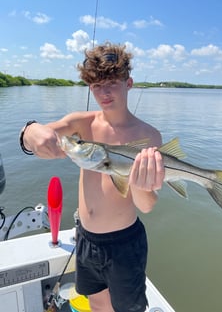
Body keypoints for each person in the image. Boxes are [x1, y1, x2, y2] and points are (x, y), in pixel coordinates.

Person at [20, 42, 165, 312]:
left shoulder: (148, 136)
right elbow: (39, 133)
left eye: (111, 82)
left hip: (124, 243)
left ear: (129, 83)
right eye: (96, 85)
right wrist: (31, 132)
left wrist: (141, 185)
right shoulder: (82, 123)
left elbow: (146, 205)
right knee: (97, 304)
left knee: (128, 309)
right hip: (85, 238)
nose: (104, 92)